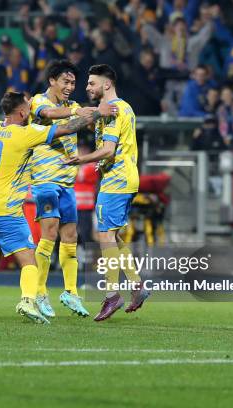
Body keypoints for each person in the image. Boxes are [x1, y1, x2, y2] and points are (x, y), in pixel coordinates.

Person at [0, 91, 112, 324]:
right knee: (29, 259)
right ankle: (28, 300)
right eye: (28, 107)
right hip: (5, 208)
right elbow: (67, 129)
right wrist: (97, 112)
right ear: (21, 112)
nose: (32, 109)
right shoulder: (25, 134)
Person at [65, 64, 150, 322]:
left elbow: (108, 150)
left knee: (104, 236)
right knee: (112, 236)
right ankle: (137, 285)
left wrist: (80, 160)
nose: (87, 87)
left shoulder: (113, 111)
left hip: (117, 179)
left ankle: (112, 294)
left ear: (107, 84)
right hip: (122, 177)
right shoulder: (123, 108)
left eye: (91, 83)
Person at [28, 59, 102, 318]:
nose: (70, 86)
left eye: (73, 82)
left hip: (67, 182)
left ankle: (71, 292)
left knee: (70, 238)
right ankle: (39, 294)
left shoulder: (74, 107)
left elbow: (82, 123)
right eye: (65, 81)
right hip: (45, 181)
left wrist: (97, 113)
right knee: (48, 234)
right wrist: (80, 114)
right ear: (52, 81)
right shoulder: (39, 101)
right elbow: (49, 117)